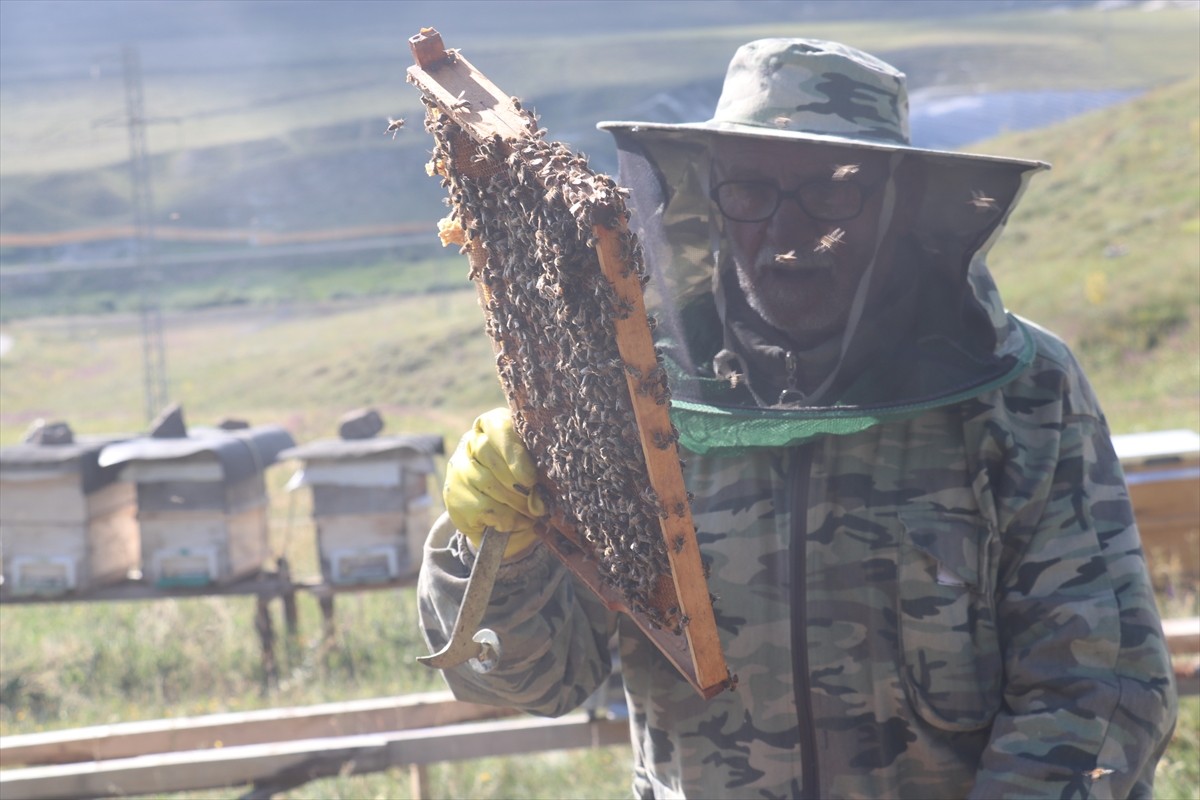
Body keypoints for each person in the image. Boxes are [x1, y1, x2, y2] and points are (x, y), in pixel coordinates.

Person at [418, 38, 1178, 799]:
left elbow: (1099, 693)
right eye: (750, 190)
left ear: (896, 202)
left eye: (832, 191)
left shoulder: (1022, 392)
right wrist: (494, 546)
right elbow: (528, 683)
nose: (789, 232)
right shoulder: (634, 399)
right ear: (709, 199)